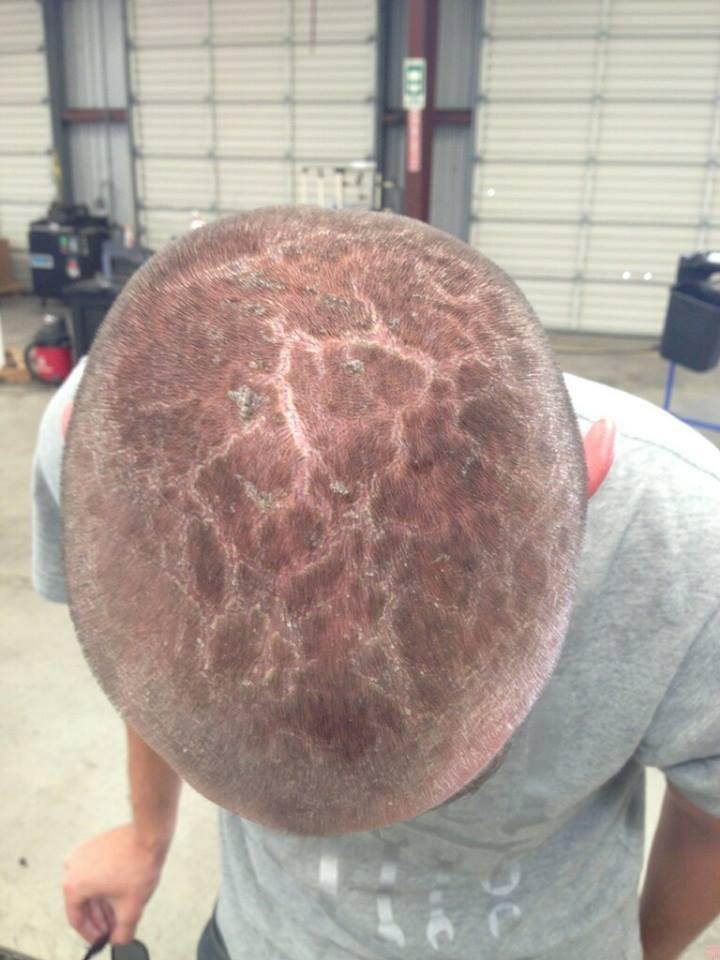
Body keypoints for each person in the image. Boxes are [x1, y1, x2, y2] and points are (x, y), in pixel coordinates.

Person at [31, 208, 720, 960]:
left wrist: (650, 950)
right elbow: (147, 646)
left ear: (580, 490)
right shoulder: (115, 437)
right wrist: (148, 831)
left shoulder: (687, 548)